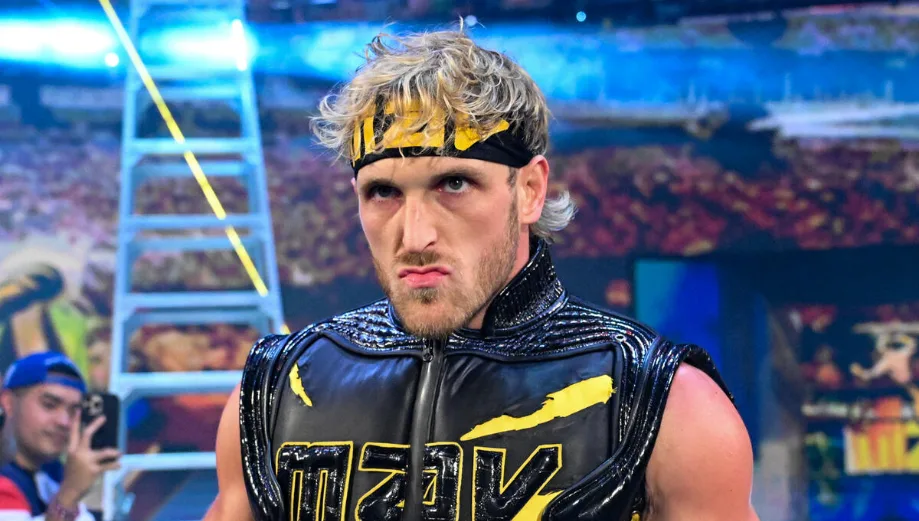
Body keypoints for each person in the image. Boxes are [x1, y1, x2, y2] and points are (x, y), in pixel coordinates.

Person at [205, 29, 758, 521]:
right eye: (383, 192)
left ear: (530, 191)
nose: (414, 237)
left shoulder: (665, 405)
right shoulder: (275, 390)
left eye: (454, 184)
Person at [0, 352, 120, 521]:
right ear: (8, 403)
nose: (64, 421)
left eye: (74, 410)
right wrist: (70, 493)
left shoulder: (55, 473)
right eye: (49, 405)